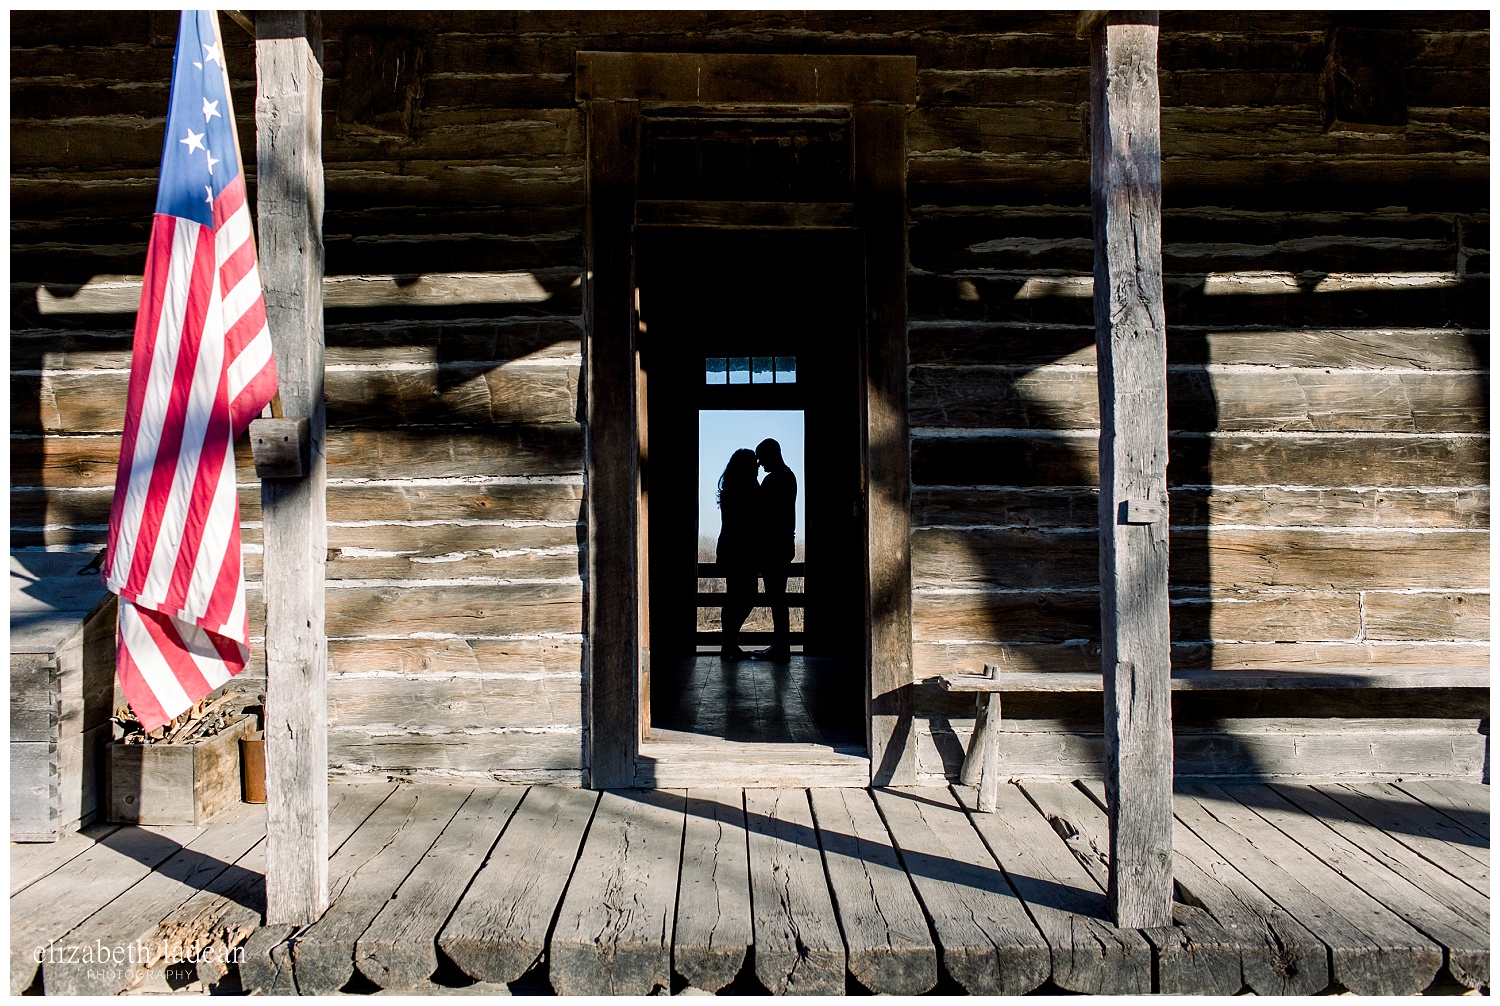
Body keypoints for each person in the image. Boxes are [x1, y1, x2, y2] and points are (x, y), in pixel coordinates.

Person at [754, 437, 797, 660]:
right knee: (779, 598)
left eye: (762, 458)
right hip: (783, 546)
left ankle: (780, 646)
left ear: (772, 455)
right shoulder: (789, 477)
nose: (760, 464)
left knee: (776, 598)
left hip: (772, 548)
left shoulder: (773, 481)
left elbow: (760, 516)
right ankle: (781, 644)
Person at [715, 448, 760, 659]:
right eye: (755, 463)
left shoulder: (729, 489)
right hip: (744, 549)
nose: (758, 467)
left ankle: (729, 644)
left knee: (734, 597)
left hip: (730, 546)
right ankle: (730, 644)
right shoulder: (750, 488)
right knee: (748, 596)